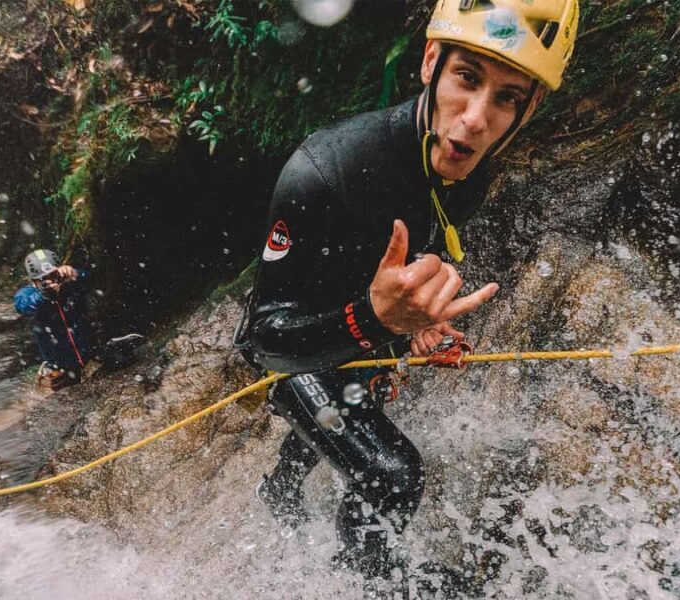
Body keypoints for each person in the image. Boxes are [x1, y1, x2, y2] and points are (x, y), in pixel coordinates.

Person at [236, 0, 579, 582]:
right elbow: (263, 341)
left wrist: (418, 319)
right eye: (466, 78)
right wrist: (376, 319)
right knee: (393, 477)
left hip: (357, 331)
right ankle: (370, 580)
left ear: (530, 108)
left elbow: (415, 246)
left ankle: (282, 488)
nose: (474, 119)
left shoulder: (469, 165)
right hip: (297, 344)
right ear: (430, 63)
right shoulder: (327, 168)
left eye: (506, 98)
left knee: (355, 398)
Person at [14, 249, 91, 390]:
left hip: (88, 350)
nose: (50, 282)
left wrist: (75, 274)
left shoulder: (69, 284)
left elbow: (91, 278)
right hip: (61, 364)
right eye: (43, 279)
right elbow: (22, 305)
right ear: (33, 280)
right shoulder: (28, 294)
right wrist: (44, 295)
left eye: (53, 276)